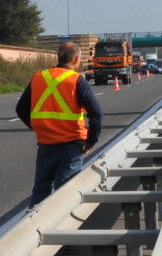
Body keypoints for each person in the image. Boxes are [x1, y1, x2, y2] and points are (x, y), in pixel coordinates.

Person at [16, 41, 104, 206]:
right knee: (65, 193)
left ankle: (34, 226)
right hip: (71, 146)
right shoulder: (76, 80)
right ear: (76, 59)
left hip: (45, 144)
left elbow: (21, 109)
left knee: (41, 189)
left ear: (59, 57)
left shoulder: (38, 77)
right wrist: (90, 141)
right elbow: (96, 114)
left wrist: (39, 127)